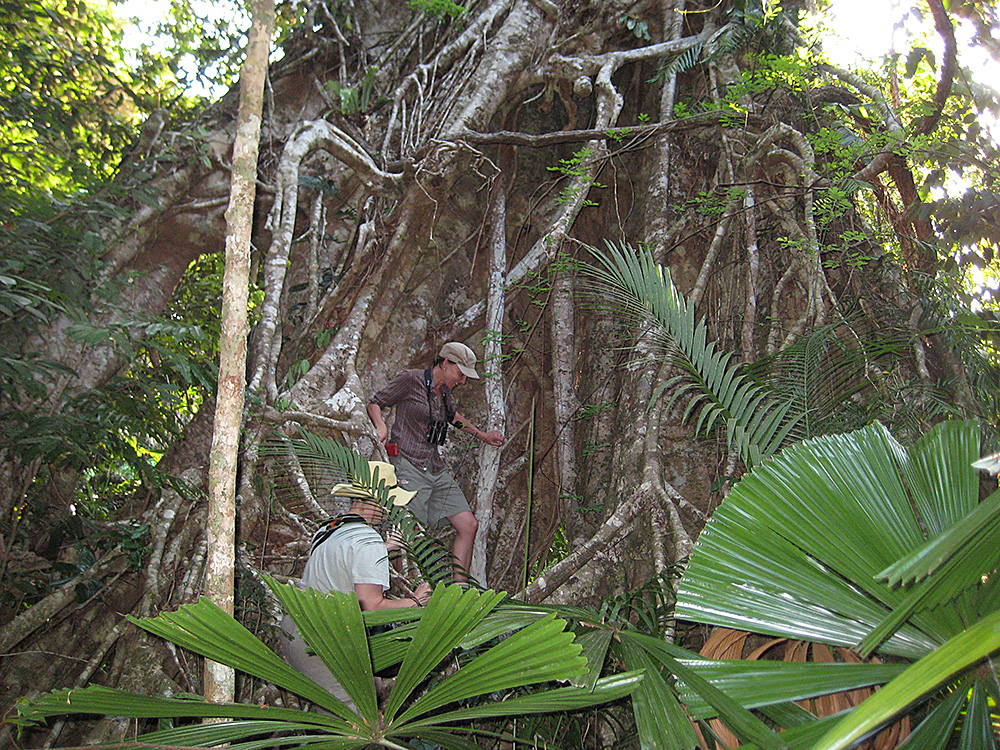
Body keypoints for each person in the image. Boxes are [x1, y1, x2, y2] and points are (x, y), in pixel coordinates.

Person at [278, 460, 432, 711]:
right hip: (322, 641)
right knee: (353, 724)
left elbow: (342, 561)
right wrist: (415, 602)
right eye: (388, 502)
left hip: (295, 630)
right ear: (378, 501)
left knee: (365, 693)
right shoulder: (368, 540)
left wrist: (386, 548)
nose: (389, 509)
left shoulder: (328, 528)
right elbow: (371, 606)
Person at [367, 342, 504, 582]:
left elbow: (453, 417)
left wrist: (482, 435)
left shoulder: (445, 392)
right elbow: (376, 402)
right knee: (405, 534)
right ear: (446, 363)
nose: (462, 381)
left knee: (468, 524)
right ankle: (404, 590)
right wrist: (381, 425)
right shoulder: (411, 379)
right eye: (460, 374)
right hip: (408, 463)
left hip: (434, 467)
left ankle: (458, 590)